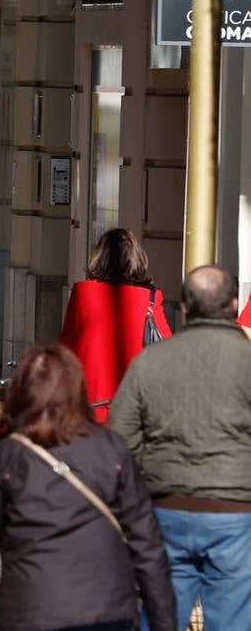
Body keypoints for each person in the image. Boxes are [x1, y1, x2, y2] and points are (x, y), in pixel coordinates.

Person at [0, 344, 176, 631]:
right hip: (107, 611)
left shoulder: (7, 455)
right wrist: (163, 622)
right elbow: (147, 545)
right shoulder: (110, 448)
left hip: (31, 611)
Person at [110, 265, 251, 631]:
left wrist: (151, 473)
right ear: (234, 305)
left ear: (184, 308)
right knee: (234, 618)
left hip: (166, 506)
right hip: (236, 509)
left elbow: (120, 437)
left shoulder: (150, 362)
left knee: (161, 615)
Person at [58, 228, 172, 422]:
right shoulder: (151, 297)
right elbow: (166, 348)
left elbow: (67, 348)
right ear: (136, 259)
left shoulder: (82, 292)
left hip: (89, 404)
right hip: (133, 405)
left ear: (100, 257)